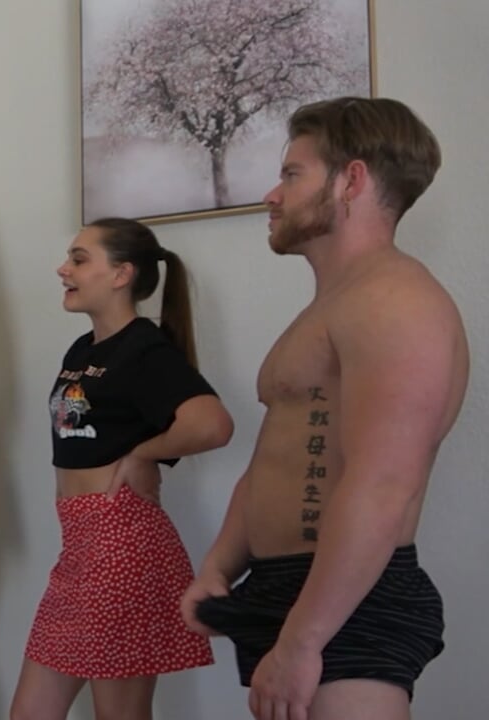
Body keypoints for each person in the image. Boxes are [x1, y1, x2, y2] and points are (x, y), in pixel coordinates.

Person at [182, 97, 469, 720]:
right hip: (294, 588)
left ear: (351, 181)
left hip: (347, 598)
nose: (272, 195)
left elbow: (383, 485)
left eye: (292, 174)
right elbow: (276, 459)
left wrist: (303, 639)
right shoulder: (336, 304)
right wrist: (219, 566)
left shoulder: (396, 302)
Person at [10, 217, 235, 720]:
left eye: (79, 259)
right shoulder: (83, 349)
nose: (63, 269)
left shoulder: (144, 347)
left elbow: (212, 423)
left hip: (121, 544)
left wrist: (142, 454)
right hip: (80, 545)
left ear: (121, 274)